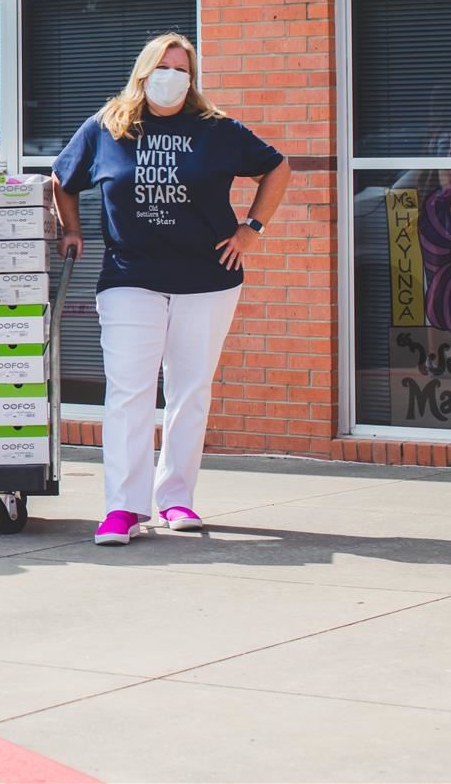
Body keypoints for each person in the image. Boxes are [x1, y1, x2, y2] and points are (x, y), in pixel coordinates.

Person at [50, 32, 290, 545]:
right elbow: (62, 180)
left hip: (207, 280)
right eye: (165, 66)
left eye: (183, 69)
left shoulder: (217, 130)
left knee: (189, 392)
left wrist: (252, 230)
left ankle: (176, 499)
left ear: (193, 79)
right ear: (144, 72)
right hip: (129, 278)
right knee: (129, 393)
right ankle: (123, 508)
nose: (173, 77)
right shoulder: (108, 127)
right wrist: (71, 230)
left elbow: (277, 167)